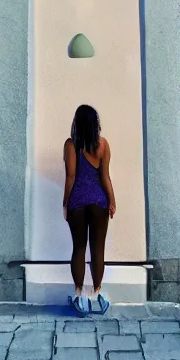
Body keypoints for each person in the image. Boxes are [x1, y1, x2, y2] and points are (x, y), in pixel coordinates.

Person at [62, 104, 116, 316]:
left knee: (79, 248)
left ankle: (79, 294)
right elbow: (105, 177)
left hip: (77, 203)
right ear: (95, 123)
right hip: (99, 203)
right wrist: (111, 200)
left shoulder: (70, 145)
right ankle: (98, 293)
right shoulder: (103, 145)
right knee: (98, 249)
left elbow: (71, 177)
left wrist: (65, 202)